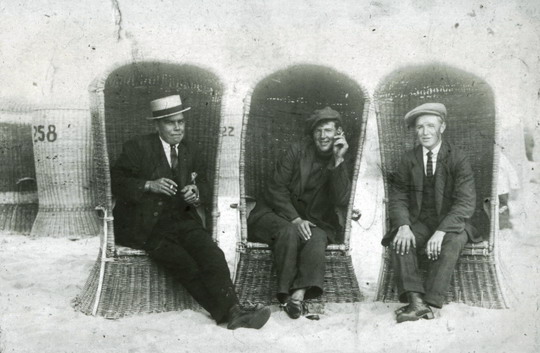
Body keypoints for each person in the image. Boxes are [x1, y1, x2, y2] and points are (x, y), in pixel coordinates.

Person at [111, 95, 271, 330]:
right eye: (170, 123)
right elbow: (115, 181)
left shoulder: (191, 150)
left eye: (181, 122)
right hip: (146, 225)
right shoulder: (137, 148)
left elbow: (206, 183)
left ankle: (234, 310)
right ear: (157, 125)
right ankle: (229, 312)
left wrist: (197, 191)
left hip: (182, 219)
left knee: (212, 254)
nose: (177, 128)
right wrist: (148, 185)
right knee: (185, 263)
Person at [247, 106, 351, 319]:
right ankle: (284, 295)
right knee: (289, 231)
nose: (323, 136)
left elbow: (341, 199)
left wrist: (338, 161)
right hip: (275, 213)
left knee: (318, 237)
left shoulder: (339, 158)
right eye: (318, 131)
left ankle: (298, 295)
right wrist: (295, 219)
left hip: (313, 220)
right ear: (312, 133)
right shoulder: (297, 151)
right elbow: (275, 188)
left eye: (328, 131)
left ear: (338, 133)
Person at [382, 102, 480, 323]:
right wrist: (404, 226)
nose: (425, 133)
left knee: (452, 242)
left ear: (442, 127)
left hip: (452, 222)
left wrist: (441, 231)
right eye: (419, 127)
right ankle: (416, 302)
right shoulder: (409, 159)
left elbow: (465, 203)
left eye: (430, 126)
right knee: (400, 239)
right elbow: (398, 197)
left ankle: (430, 302)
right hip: (420, 221)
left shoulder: (457, 157)